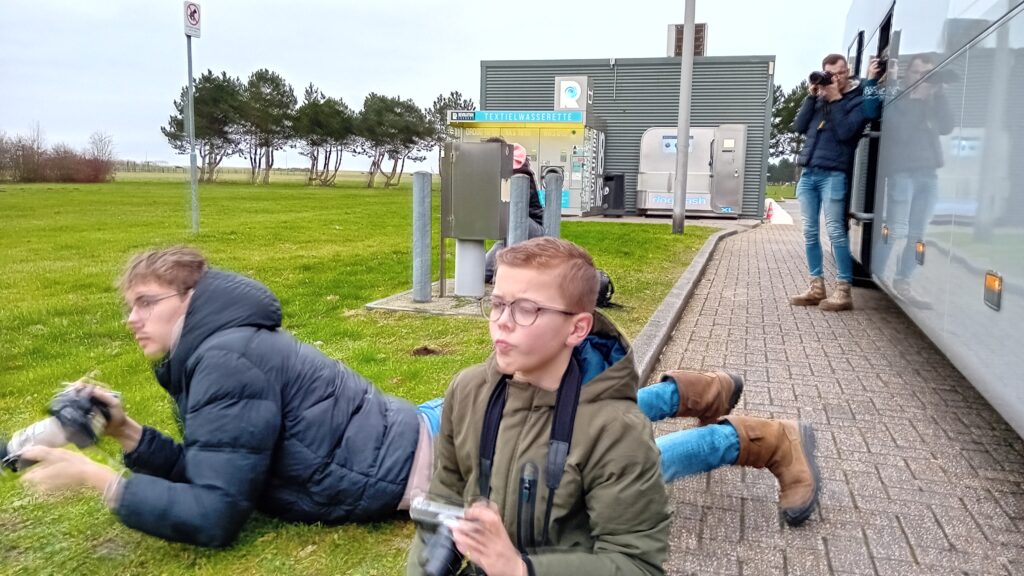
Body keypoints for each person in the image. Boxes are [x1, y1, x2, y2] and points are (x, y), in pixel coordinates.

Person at [18, 246, 818, 550]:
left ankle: (758, 438)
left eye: (145, 305)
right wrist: (126, 435)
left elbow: (217, 515)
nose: (131, 322)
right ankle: (689, 389)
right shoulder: (223, 348)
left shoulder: (222, 361)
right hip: (417, 431)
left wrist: (99, 481)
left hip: (428, 464)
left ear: (191, 302)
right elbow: (225, 464)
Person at [407, 238, 820, 575]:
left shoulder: (615, 430)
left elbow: (634, 560)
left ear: (578, 327)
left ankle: (761, 438)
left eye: (527, 309)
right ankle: (706, 390)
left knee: (633, 450)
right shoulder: (470, 390)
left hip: (594, 452)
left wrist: (519, 570)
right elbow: (447, 494)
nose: (501, 321)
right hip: (563, 416)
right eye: (496, 303)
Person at [789, 54, 883, 311]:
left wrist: (836, 99)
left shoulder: (856, 98)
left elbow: (847, 132)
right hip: (808, 173)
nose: (836, 78)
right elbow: (799, 127)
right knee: (809, 232)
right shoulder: (820, 98)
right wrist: (812, 96)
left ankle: (843, 290)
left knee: (835, 232)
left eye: (840, 73)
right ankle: (816, 287)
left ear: (847, 71)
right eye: (831, 74)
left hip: (834, 174)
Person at [875, 53, 954, 308]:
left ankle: (903, 282)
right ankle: (877, 276)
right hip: (902, 172)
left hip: (929, 174)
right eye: (919, 73)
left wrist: (939, 94)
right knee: (896, 229)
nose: (923, 79)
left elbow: (947, 126)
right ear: (909, 74)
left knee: (918, 234)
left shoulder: (933, 101)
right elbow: (899, 132)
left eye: (928, 74)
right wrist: (917, 100)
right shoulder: (896, 99)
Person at [483, 137, 546, 284]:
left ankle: (503, 276)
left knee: (512, 215)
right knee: (482, 272)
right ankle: (499, 273)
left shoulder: (519, 172)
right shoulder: (497, 171)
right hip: (509, 233)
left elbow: (517, 210)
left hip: (532, 228)